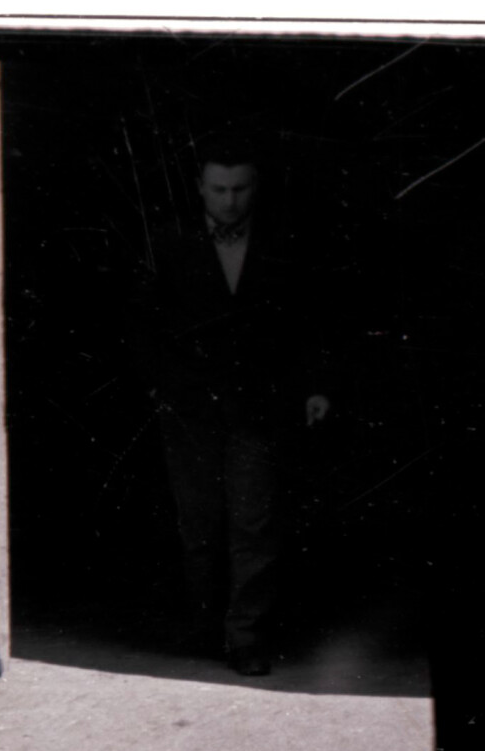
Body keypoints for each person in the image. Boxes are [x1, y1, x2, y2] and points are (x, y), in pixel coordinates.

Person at [133, 130, 334, 677]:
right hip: (189, 409)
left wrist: (315, 386)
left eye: (240, 189)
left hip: (259, 407)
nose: (229, 201)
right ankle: (203, 628)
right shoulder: (169, 243)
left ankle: (246, 637)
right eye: (219, 189)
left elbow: (307, 322)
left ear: (255, 187)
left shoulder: (282, 244)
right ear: (200, 188)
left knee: (254, 524)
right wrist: (158, 385)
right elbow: (143, 324)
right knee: (198, 524)